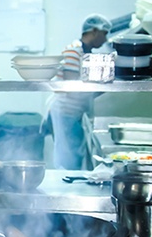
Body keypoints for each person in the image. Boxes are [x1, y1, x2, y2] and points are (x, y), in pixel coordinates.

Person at [47, 14, 113, 170]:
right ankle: (64, 191)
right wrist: (100, 86)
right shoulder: (73, 51)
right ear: (95, 31)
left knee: (74, 156)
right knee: (68, 158)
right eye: (104, 34)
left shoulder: (86, 53)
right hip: (66, 112)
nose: (105, 40)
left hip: (75, 112)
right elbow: (72, 86)